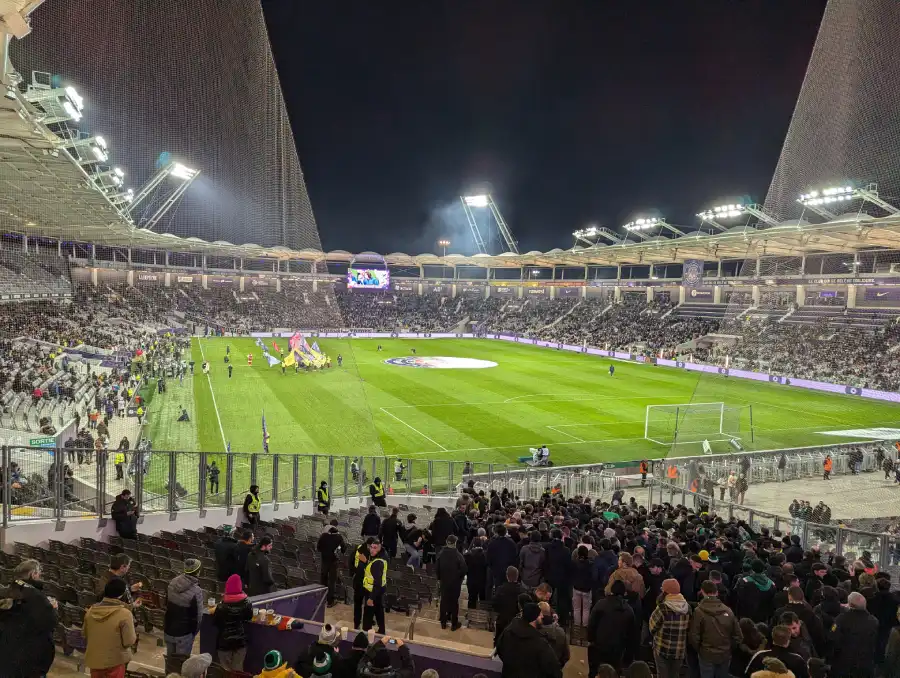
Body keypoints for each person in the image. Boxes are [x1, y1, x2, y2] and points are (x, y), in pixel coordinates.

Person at [0, 559, 58, 678]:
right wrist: (52, 608)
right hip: (30, 658)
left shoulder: (6, 591)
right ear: (33, 574)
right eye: (39, 572)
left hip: (6, 654)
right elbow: (50, 623)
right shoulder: (38, 598)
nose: (40, 575)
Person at [83, 578, 137, 678]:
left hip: (95, 660)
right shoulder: (125, 614)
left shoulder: (90, 611)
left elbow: (85, 634)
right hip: (115, 660)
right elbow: (129, 641)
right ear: (121, 595)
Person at [690, 580, 743, 678]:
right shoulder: (728, 610)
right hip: (725, 654)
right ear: (717, 592)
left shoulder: (698, 612)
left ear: (702, 591)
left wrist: (701, 649)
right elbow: (738, 636)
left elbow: (694, 635)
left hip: (706, 654)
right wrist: (728, 647)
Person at [496, 602, 562, 678]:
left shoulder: (508, 631)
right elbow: (554, 669)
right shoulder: (539, 643)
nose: (542, 616)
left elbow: (499, 649)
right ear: (534, 618)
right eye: (540, 615)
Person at [587, 579, 637, 675]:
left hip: (599, 645)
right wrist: (629, 654)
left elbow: (592, 624)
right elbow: (632, 634)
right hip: (618, 649)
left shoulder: (601, 604)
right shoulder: (629, 610)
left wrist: (591, 639)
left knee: (596, 671)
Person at [649, 578, 693, 678]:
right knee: (675, 675)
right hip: (679, 650)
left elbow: (652, 627)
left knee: (662, 675)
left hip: (662, 648)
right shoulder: (688, 608)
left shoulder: (662, 608)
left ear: (665, 591)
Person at [830, 591, 877, 678]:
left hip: (845, 663)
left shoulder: (841, 619)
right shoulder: (874, 621)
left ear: (850, 605)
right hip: (865, 662)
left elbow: (833, 638)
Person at [164, 559, 204, 656]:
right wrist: (194, 633)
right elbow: (198, 617)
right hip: (184, 633)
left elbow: (166, 604)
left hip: (169, 629)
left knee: (170, 662)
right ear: (198, 571)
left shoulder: (173, 582)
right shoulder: (196, 591)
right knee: (181, 664)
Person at [212, 574, 253, 671]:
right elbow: (249, 617)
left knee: (225, 671)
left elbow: (216, 622)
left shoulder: (221, 607)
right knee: (238, 671)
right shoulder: (247, 603)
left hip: (224, 644)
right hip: (240, 643)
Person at [435, 534, 467, 630]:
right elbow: (464, 569)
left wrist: (439, 578)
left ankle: (443, 623)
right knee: (454, 602)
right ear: (455, 543)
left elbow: (437, 568)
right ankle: (454, 624)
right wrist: (459, 577)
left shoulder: (441, 554)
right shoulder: (458, 555)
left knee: (443, 601)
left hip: (444, 582)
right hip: (455, 583)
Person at [493, 566, 527, 645]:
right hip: (517, 623)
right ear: (517, 576)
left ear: (507, 576)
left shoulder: (500, 589)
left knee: (498, 641)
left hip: (502, 620)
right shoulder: (522, 591)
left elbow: (494, 604)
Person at [362, 539, 388, 635]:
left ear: (379, 549)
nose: (372, 550)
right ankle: (381, 631)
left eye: (375, 548)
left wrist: (371, 598)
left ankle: (366, 635)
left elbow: (377, 582)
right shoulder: (381, 559)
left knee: (368, 617)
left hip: (372, 592)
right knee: (379, 612)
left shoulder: (377, 563)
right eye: (371, 547)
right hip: (379, 591)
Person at [317, 521, 346, 607]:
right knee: (332, 582)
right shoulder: (339, 537)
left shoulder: (323, 536)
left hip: (324, 560)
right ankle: (330, 601)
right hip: (333, 561)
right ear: (336, 531)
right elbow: (343, 549)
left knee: (323, 580)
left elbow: (318, 548)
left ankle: (322, 599)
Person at [464, 536, 488, 610]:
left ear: (473, 544)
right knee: (483, 600)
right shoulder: (485, 555)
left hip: (471, 581)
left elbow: (465, 569)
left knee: (471, 599)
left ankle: (471, 617)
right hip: (483, 581)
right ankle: (482, 616)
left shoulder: (467, 556)